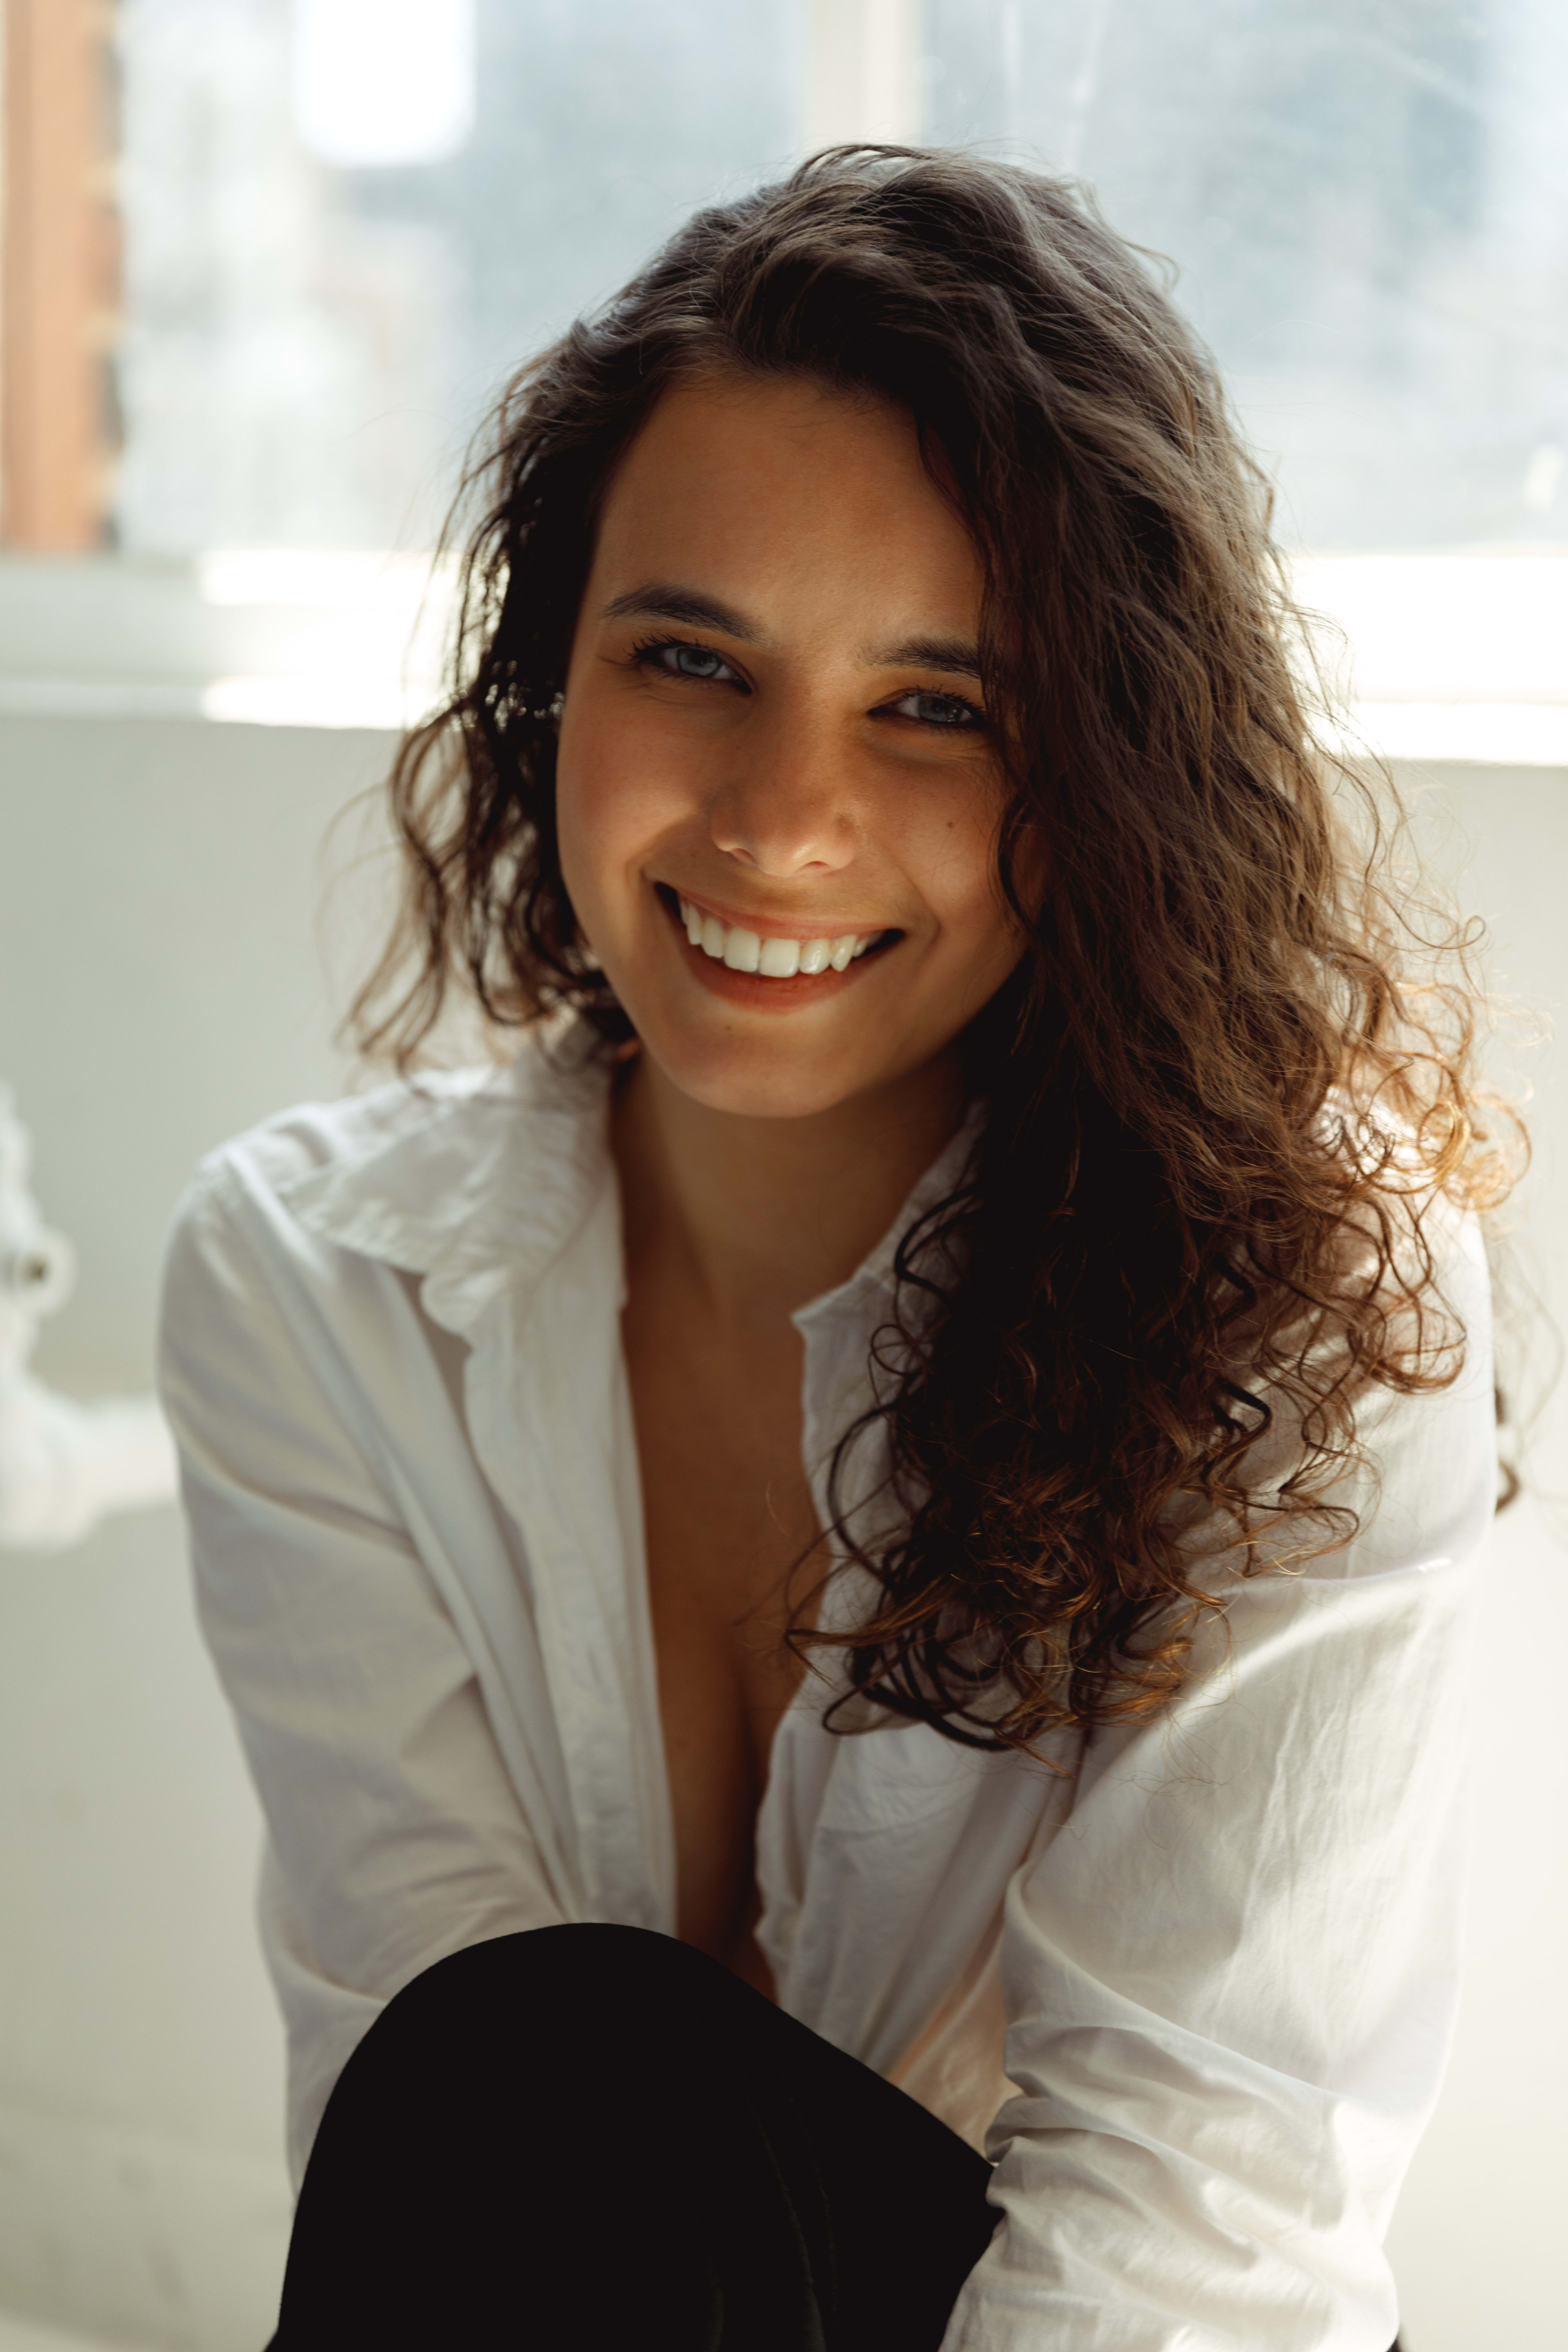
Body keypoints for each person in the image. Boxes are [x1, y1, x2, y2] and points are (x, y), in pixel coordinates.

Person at [158, 147, 1513, 2351]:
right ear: (547, 687)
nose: (782, 817)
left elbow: (1194, 2232)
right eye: (691, 656)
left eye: (938, 705)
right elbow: (425, 2141)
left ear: (1107, 770)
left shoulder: (1312, 1313)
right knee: (534, 2065)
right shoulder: (314, 1295)